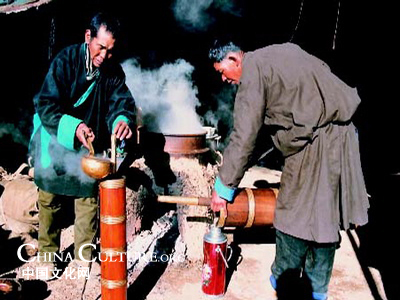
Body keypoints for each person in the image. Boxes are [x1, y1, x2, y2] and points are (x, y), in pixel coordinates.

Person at [208, 40, 369, 300]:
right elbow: (321, 72)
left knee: (292, 214)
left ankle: (285, 278)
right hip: (342, 135)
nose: (224, 79)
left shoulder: (253, 74)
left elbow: (244, 136)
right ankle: (318, 288)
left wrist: (223, 186)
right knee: (325, 217)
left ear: (235, 60)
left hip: (316, 142)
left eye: (222, 72)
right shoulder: (280, 51)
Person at [29, 12, 136, 278]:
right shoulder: (65, 61)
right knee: (48, 197)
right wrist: (73, 127)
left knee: (87, 197)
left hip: (87, 145)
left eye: (111, 50)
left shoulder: (113, 71)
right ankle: (47, 255)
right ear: (88, 37)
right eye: (100, 47)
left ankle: (82, 257)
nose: (104, 56)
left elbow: (120, 102)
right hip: (56, 136)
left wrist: (122, 120)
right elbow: (46, 104)